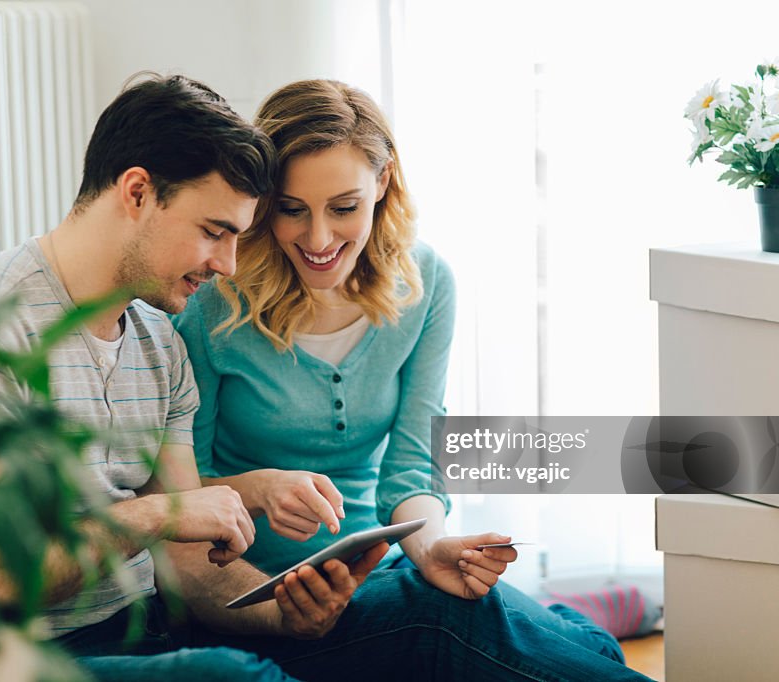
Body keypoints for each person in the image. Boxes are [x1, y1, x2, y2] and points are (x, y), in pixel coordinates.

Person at [175, 79, 654, 681]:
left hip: (381, 565)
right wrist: (261, 486)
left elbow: (410, 466)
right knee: (475, 626)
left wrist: (430, 549)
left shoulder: (426, 281)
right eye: (291, 210)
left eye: (344, 207)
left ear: (383, 181)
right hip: (265, 597)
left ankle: (574, 617)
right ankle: (571, 615)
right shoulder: (212, 302)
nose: (318, 240)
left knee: (586, 650)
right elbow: (182, 494)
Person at [0, 73, 389, 682]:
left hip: (146, 633)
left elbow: (190, 567)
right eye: (214, 232)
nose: (227, 266)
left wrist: (287, 615)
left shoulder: (158, 344)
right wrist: (156, 515)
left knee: (434, 620)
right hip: (13, 658)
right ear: (139, 192)